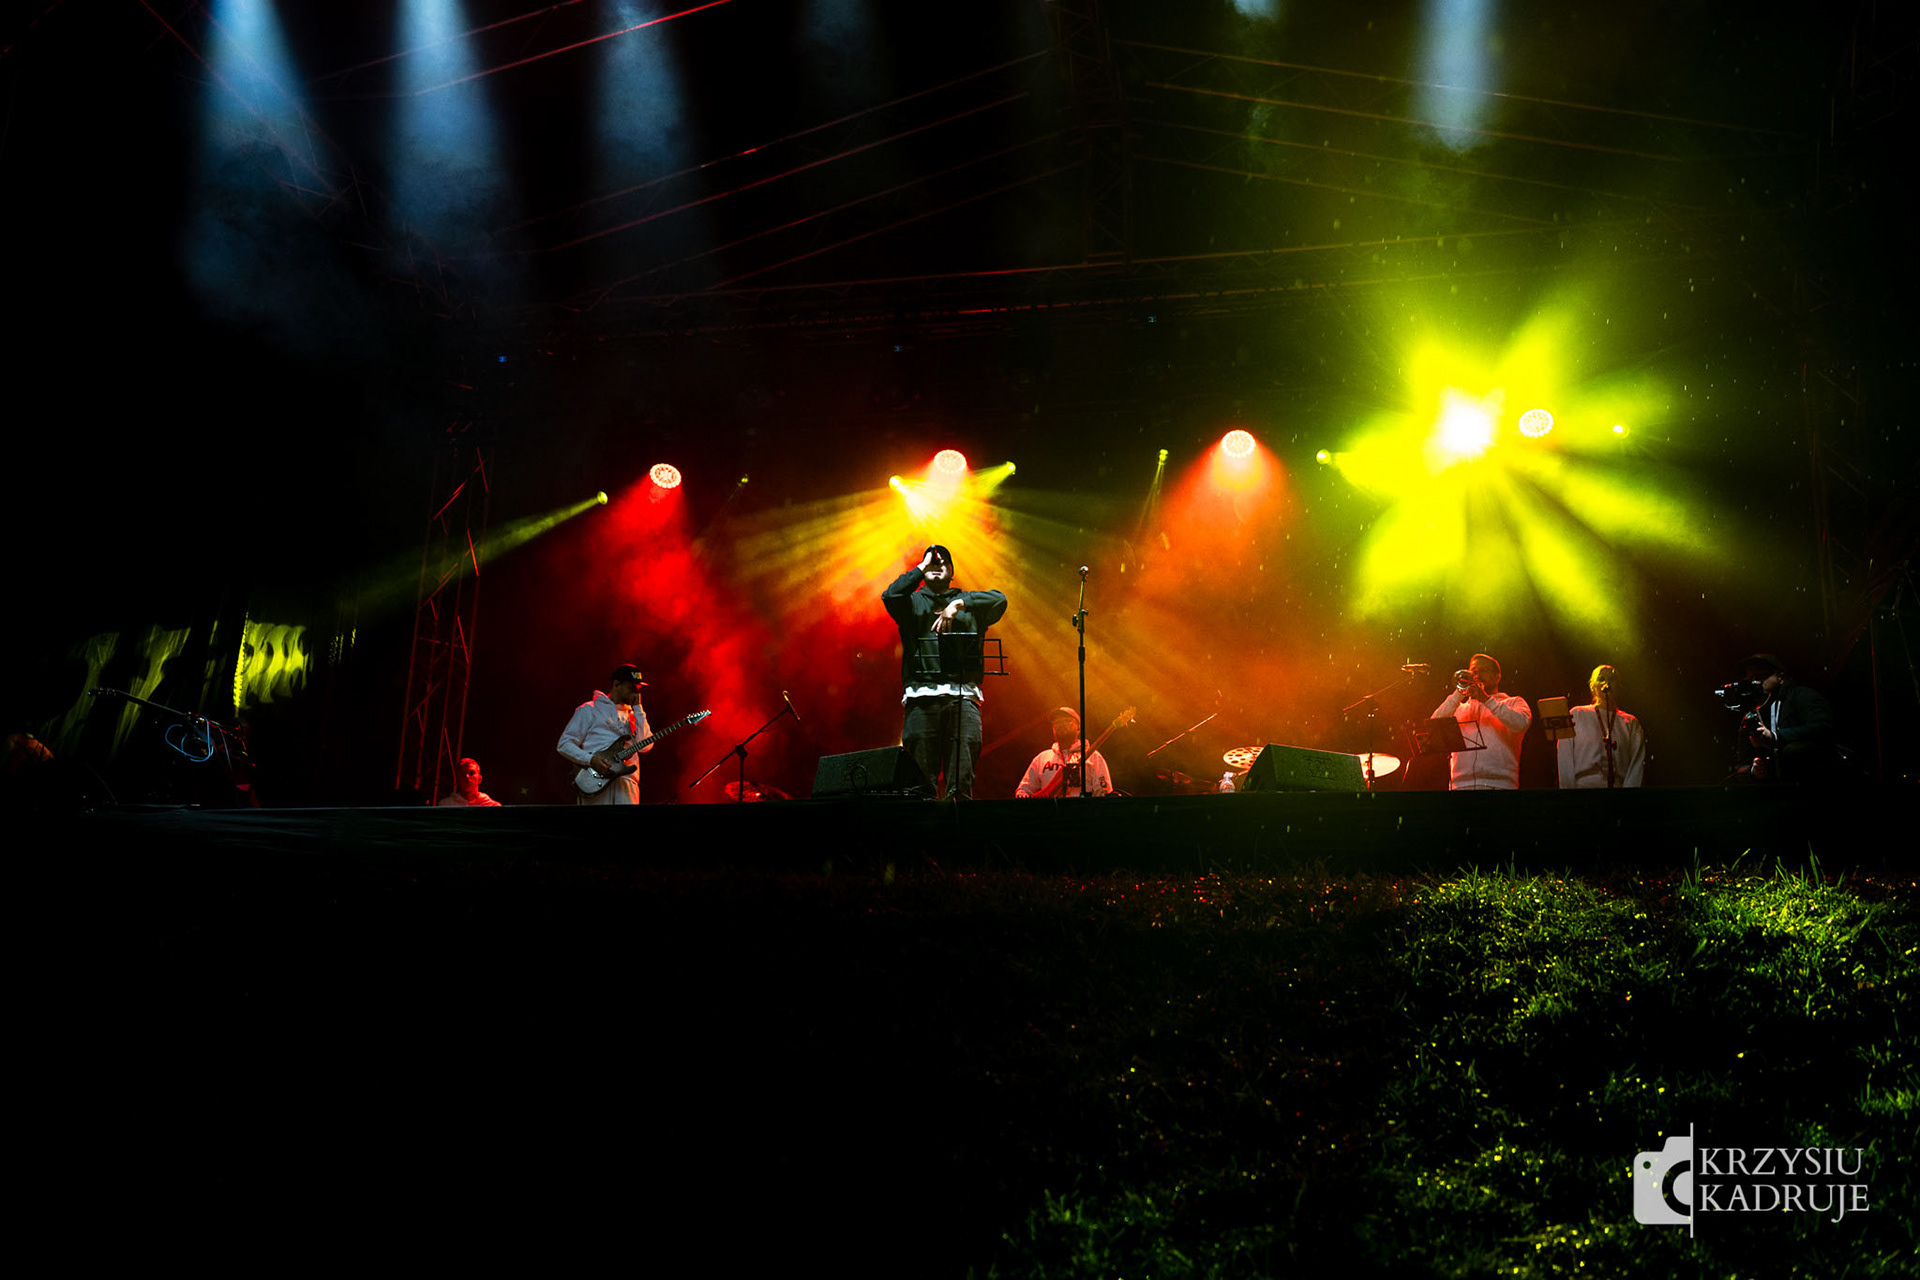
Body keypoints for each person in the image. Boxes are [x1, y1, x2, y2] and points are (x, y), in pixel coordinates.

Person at [881, 544, 1007, 799]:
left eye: (943, 563)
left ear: (952, 572)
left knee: (960, 784)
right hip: (921, 701)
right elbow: (890, 596)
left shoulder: (969, 602)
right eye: (931, 563)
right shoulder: (911, 603)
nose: (936, 566)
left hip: (963, 700)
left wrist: (959, 604)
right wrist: (921, 568)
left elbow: (1000, 599)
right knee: (919, 786)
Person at [1431, 652, 1531, 790]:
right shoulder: (1459, 708)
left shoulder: (1513, 702)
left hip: (1500, 786)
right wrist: (1459, 692)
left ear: (1497, 677)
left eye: (1483, 670)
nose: (1476, 675)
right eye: (1473, 671)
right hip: (1460, 786)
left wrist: (1486, 700)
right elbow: (1433, 725)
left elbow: (1521, 724)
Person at [556, 663, 651, 805]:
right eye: (632, 687)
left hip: (626, 786)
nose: (636, 693)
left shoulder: (635, 716)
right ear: (617, 684)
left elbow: (645, 746)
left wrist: (638, 709)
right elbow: (564, 744)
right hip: (595, 782)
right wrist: (590, 760)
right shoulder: (589, 710)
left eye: (638, 688)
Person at [1739, 654, 1838, 784]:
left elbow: (1823, 728)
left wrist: (1775, 737)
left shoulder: (1801, 695)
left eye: (1760, 676)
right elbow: (1742, 762)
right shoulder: (1752, 712)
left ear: (1781, 677)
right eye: (1750, 679)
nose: (1754, 683)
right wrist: (1755, 770)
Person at [1556, 664, 1646, 789]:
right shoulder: (1576, 714)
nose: (1607, 683)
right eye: (1601, 679)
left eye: (1612, 679)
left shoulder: (1630, 723)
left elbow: (1636, 766)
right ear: (1592, 687)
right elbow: (1565, 757)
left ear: (1619, 686)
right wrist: (1568, 794)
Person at [1015, 707, 1113, 798]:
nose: (1060, 725)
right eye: (1056, 722)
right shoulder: (1041, 758)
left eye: (1066, 721)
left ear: (1078, 727)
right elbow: (1024, 789)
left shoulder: (1093, 756)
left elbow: (1103, 791)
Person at [438, 756, 502, 807]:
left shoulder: (493, 807)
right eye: (463, 774)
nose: (467, 776)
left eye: (471, 773)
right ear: (457, 780)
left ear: (479, 779)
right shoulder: (445, 805)